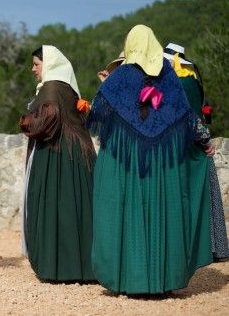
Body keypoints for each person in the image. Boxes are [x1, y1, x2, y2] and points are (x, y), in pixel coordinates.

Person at [87, 25, 214, 294]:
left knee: (125, 211)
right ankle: (162, 280)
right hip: (161, 162)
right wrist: (204, 141)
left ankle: (125, 279)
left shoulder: (119, 77)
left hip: (125, 161)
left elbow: (99, 113)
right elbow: (188, 118)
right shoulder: (169, 77)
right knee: (161, 210)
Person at [19, 45, 96, 282]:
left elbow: (48, 119)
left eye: (37, 64)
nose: (33, 69)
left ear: (49, 65)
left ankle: (58, 267)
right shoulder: (66, 87)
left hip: (58, 154)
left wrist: (25, 122)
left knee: (57, 206)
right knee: (75, 209)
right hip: (76, 153)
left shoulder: (52, 87)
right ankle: (82, 266)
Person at [163, 43, 229, 262]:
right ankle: (215, 247)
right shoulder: (193, 79)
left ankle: (185, 248)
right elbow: (200, 113)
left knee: (181, 196)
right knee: (206, 196)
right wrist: (205, 140)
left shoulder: (171, 81)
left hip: (176, 143)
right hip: (196, 141)